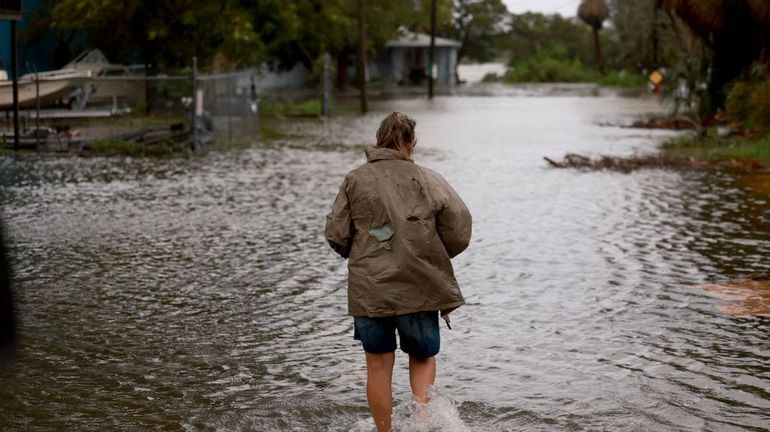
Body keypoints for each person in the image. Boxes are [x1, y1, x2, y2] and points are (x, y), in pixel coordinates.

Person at [325, 112, 472, 432]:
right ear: (411, 143)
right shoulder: (429, 179)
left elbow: (336, 234)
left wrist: (365, 253)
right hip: (420, 286)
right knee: (421, 358)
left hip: (370, 289)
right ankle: (421, 425)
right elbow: (460, 229)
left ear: (378, 141)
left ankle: (384, 431)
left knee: (377, 367)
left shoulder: (354, 179)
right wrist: (430, 253)